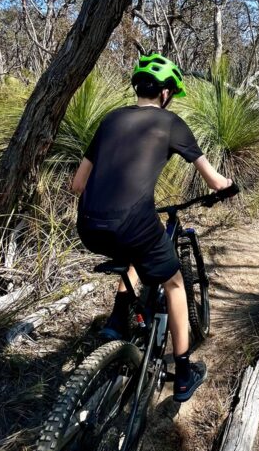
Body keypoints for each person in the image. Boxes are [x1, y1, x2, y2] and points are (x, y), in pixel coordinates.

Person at [70, 53, 233, 402]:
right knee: (174, 284)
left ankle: (116, 321)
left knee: (132, 252)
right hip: (133, 224)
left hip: (88, 226)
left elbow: (76, 185)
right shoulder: (170, 122)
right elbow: (214, 180)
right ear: (165, 94)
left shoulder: (110, 119)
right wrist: (227, 185)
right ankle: (185, 372)